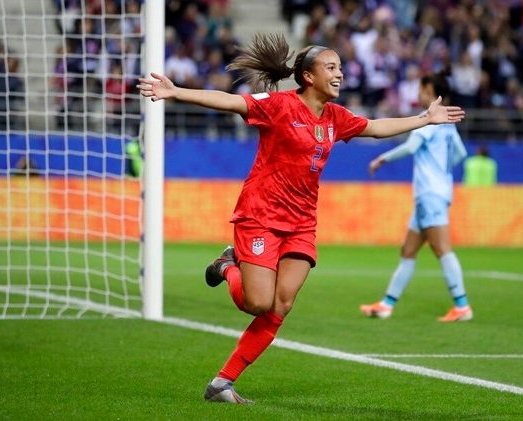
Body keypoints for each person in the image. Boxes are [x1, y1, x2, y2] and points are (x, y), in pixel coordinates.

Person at [137, 33, 465, 404]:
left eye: (340, 68)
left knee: (281, 306)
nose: (339, 74)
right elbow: (232, 102)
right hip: (261, 215)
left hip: (302, 223)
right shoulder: (279, 105)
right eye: (331, 67)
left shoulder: (336, 117)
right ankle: (228, 265)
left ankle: (221, 384)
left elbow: (375, 127)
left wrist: (424, 119)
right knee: (257, 303)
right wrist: (176, 92)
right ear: (308, 76)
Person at [360, 69, 472, 323]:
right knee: (408, 250)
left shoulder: (427, 119)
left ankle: (462, 306)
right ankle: (386, 305)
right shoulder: (448, 124)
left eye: (422, 90)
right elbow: (460, 154)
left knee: (442, 249)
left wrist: (381, 158)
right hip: (436, 192)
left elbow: (411, 147)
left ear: (432, 93)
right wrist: (442, 170)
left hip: (429, 194)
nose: (419, 94)